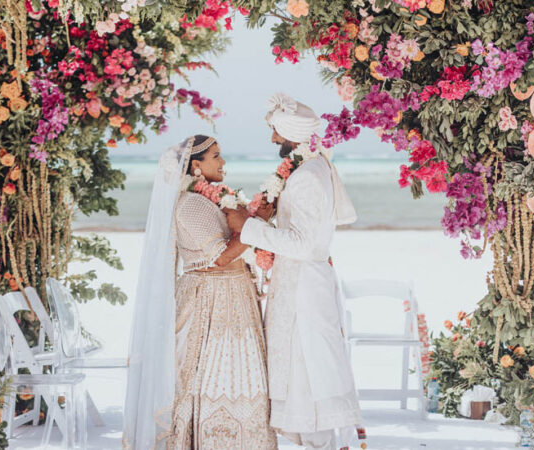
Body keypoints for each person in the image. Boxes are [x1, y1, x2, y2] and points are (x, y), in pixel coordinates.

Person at [225, 93, 362, 450]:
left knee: (308, 375)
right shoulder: (312, 168)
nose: (273, 140)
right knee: (303, 374)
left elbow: (301, 243)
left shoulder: (306, 177)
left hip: (304, 289)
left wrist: (248, 228)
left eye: (276, 132)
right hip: (301, 282)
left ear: (292, 133)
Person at [123, 135, 277, 450]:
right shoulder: (192, 203)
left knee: (242, 376)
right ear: (196, 165)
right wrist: (257, 223)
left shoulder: (213, 199)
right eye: (216, 156)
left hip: (234, 295)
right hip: (211, 300)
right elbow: (220, 255)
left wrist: (257, 225)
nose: (223, 163)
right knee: (210, 377)